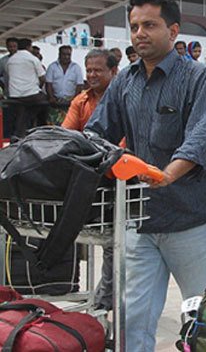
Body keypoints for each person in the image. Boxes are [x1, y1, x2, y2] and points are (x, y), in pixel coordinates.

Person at [84, 0, 206, 351]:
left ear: (173, 30)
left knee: (201, 317)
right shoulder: (125, 82)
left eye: (149, 25)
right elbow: (95, 133)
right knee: (133, 318)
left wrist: (166, 175)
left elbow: (204, 137)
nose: (139, 33)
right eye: (134, 26)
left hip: (191, 217)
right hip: (140, 218)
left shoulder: (199, 77)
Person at [61, 49, 119, 311]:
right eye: (89, 70)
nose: (93, 75)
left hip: (118, 179)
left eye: (99, 70)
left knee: (112, 243)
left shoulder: (122, 99)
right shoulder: (80, 101)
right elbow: (66, 136)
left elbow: (122, 145)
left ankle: (106, 299)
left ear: (113, 72)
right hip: (88, 178)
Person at [6, 38, 48, 137]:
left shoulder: (10, 60)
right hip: (31, 95)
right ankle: (43, 126)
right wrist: (38, 87)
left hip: (14, 95)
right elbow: (43, 78)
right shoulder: (32, 59)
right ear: (29, 47)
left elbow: (9, 76)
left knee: (23, 113)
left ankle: (20, 132)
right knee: (45, 102)